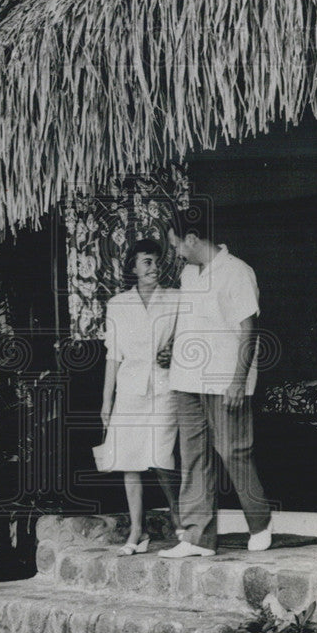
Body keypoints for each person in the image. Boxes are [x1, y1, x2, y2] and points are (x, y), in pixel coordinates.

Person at [158, 204, 273, 558]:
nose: (175, 251)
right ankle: (196, 538)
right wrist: (172, 347)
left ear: (192, 238)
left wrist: (238, 381)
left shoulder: (237, 272)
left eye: (176, 244)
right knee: (193, 458)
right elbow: (192, 323)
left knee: (234, 452)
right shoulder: (189, 275)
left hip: (225, 380)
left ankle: (260, 523)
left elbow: (248, 329)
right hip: (186, 379)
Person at [95, 238, 181, 555]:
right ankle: (137, 530)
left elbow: (189, 339)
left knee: (161, 459)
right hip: (129, 389)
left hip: (165, 387)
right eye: (146, 261)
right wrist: (106, 401)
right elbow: (112, 356)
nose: (154, 267)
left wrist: (175, 353)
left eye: (157, 261)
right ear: (133, 266)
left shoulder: (175, 299)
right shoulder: (118, 304)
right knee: (130, 462)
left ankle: (179, 519)